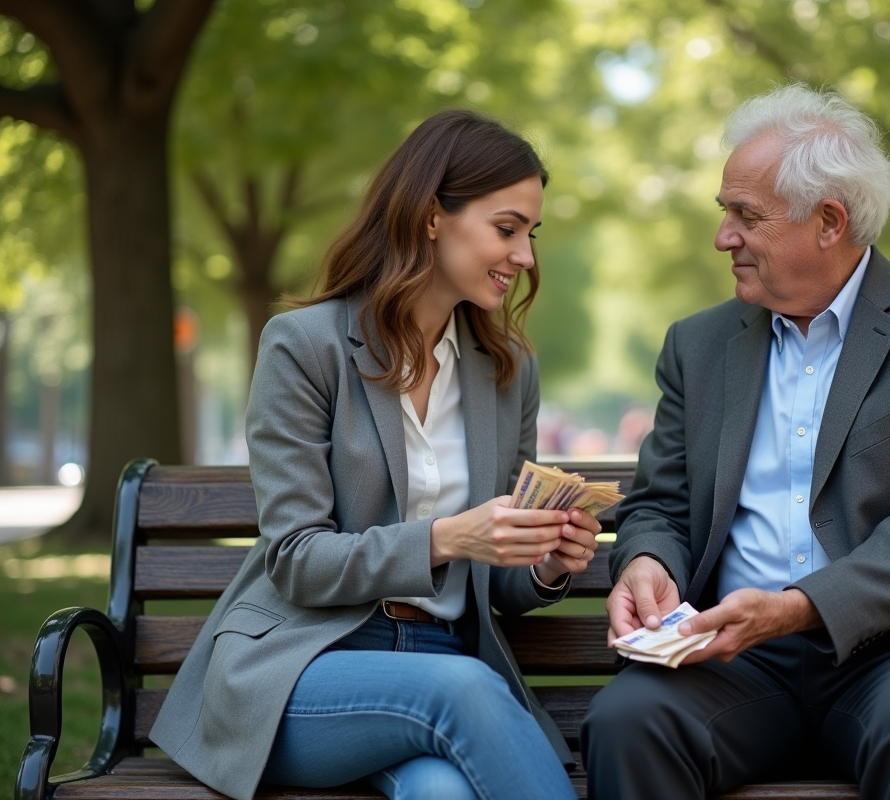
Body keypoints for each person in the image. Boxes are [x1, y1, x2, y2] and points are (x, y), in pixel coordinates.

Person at [581, 84, 890, 800]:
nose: (723, 238)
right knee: (628, 720)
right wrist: (646, 559)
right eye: (725, 213)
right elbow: (661, 503)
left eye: (746, 217)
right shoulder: (697, 345)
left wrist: (798, 606)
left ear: (829, 221)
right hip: (733, 657)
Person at [151, 110, 596, 800]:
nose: (526, 257)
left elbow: (496, 587)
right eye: (506, 229)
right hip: (305, 666)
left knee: (440, 794)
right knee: (462, 689)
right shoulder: (305, 347)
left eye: (530, 236)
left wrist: (542, 560)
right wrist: (450, 537)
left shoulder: (506, 372)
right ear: (429, 217)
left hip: (442, 661)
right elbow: (297, 559)